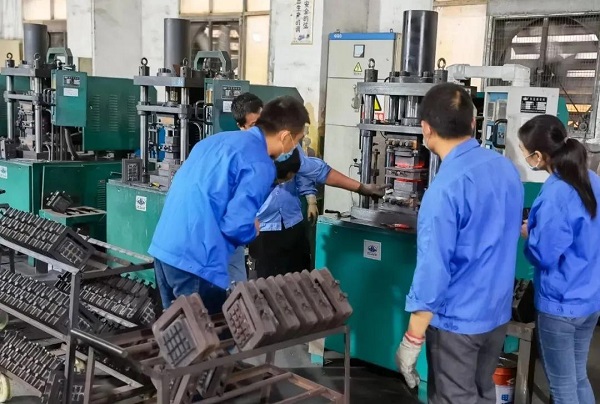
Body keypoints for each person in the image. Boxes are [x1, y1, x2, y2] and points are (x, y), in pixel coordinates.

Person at [395, 83, 524, 403]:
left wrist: (412, 338)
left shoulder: (444, 189)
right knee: (482, 393)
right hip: (495, 315)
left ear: (426, 129)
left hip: (457, 323)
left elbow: (433, 272)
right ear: (473, 123)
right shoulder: (506, 170)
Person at [148, 95, 309, 314]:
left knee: (174, 329)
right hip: (197, 262)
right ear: (285, 136)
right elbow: (236, 227)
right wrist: (252, 228)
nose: (295, 147)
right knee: (207, 332)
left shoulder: (214, 141)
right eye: (297, 140)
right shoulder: (260, 163)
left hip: (164, 248)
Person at [231, 92, 387, 279]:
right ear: (241, 126)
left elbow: (317, 170)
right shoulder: (238, 154)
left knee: (301, 283)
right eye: (254, 125)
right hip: (263, 232)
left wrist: (361, 188)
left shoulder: (284, 140)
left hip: (292, 223)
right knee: (267, 289)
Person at [519, 114, 600, 404]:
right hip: (589, 299)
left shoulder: (557, 192)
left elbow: (545, 254)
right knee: (578, 377)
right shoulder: (591, 179)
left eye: (524, 151)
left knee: (563, 387)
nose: (525, 157)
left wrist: (529, 233)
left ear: (539, 155)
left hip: (561, 304)